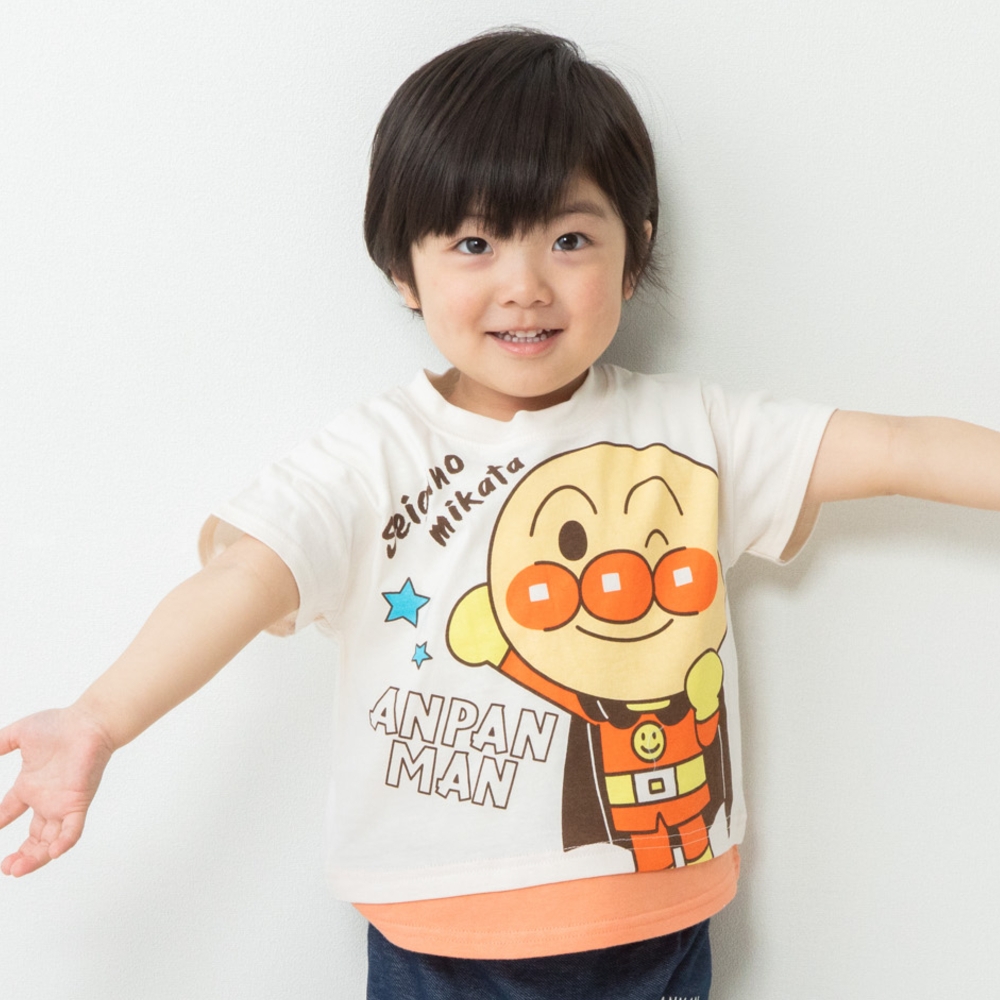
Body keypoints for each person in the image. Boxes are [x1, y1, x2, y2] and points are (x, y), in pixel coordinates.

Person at [1, 27, 998, 1000]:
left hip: (655, 922)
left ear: (635, 251)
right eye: (474, 242)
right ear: (404, 269)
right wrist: (99, 719)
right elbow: (239, 580)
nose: (525, 286)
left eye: (569, 239)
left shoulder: (694, 432)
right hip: (439, 941)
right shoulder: (369, 455)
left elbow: (900, 449)